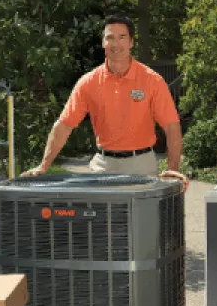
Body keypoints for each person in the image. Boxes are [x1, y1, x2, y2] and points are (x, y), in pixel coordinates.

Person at [23, 15, 188, 192]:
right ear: (103, 42)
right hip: (102, 166)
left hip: (141, 166)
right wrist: (44, 165)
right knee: (101, 220)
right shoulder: (88, 82)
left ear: (131, 42)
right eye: (110, 37)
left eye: (122, 37)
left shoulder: (152, 81)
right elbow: (64, 125)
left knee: (142, 220)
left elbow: (171, 127)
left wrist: (173, 169)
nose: (115, 44)